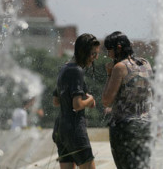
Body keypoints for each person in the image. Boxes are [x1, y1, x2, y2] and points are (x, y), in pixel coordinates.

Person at [102, 31, 153, 169]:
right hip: (146, 126)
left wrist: (109, 74)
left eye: (109, 50)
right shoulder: (145, 63)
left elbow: (106, 100)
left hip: (125, 128)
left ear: (118, 48)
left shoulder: (120, 67)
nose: (108, 55)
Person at [52, 33, 100, 169]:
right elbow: (77, 105)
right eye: (93, 54)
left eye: (96, 54)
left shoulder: (64, 68)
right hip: (74, 131)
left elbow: (56, 101)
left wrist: (80, 96)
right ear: (82, 51)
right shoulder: (77, 71)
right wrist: (90, 100)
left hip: (60, 130)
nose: (95, 58)